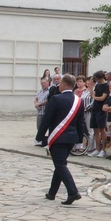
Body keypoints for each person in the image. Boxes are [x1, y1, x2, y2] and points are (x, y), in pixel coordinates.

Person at [37, 74, 84, 205]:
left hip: (58, 137)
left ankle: (73, 192)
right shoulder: (79, 100)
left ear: (63, 84)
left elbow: (47, 119)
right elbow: (81, 122)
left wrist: (39, 136)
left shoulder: (56, 99)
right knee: (60, 164)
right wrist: (80, 139)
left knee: (60, 165)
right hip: (71, 138)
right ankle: (52, 193)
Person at [89, 70, 109, 158]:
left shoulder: (106, 85)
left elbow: (102, 97)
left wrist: (94, 97)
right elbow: (92, 95)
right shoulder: (97, 85)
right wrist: (90, 87)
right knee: (95, 130)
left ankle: (103, 149)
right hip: (95, 108)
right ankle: (97, 149)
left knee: (102, 129)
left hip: (101, 110)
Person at [34, 77, 51, 144]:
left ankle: (47, 140)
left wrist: (40, 104)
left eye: (44, 83)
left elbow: (48, 100)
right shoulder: (41, 91)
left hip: (46, 112)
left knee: (46, 127)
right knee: (39, 127)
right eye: (42, 83)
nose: (43, 84)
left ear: (48, 83)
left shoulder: (50, 90)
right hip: (40, 112)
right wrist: (36, 104)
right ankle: (40, 139)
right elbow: (36, 98)